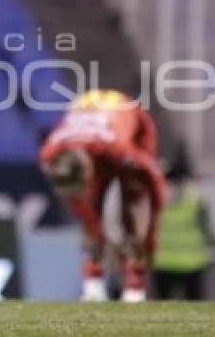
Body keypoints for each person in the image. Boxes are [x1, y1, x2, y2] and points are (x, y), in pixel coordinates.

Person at [39, 89, 165, 303]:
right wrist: (97, 230)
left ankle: (135, 284)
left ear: (88, 171)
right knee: (91, 220)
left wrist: (150, 237)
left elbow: (155, 187)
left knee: (130, 209)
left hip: (131, 123)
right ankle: (93, 282)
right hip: (90, 117)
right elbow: (79, 204)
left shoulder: (119, 150)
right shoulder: (49, 155)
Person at [151, 146, 212, 301]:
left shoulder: (156, 195)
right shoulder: (195, 196)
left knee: (162, 309)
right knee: (195, 309)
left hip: (162, 260)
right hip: (191, 261)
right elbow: (206, 227)